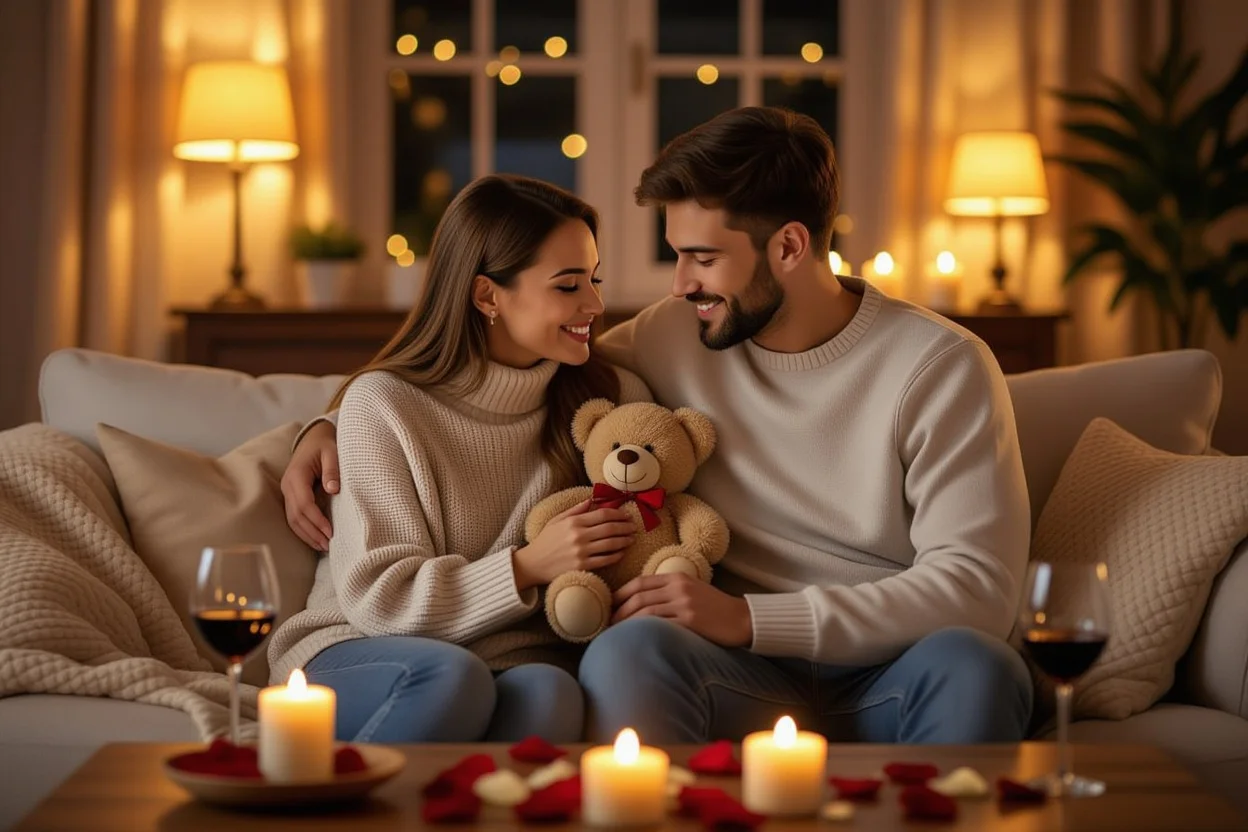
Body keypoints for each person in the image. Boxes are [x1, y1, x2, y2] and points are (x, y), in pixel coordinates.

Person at [283, 107, 1035, 746]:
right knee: (627, 652)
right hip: (733, 670)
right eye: (676, 256)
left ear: (789, 246)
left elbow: (977, 589)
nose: (678, 286)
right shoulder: (678, 333)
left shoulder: (939, 366)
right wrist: (328, 424)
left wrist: (752, 618)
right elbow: (482, 374)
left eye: (702, 258)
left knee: (981, 667)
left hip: (888, 664)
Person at [268, 174, 649, 744]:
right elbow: (380, 599)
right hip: (361, 648)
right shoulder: (384, 403)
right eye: (568, 285)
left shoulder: (610, 402)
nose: (594, 304)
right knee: (453, 678)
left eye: (594, 279)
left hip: (506, 661)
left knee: (552, 692)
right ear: (487, 296)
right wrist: (527, 565)